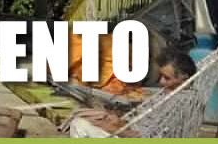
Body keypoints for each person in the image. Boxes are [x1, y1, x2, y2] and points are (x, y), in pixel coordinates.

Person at [65, 48, 198, 137]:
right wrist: (119, 121)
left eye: (167, 78)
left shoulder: (179, 103)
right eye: (161, 76)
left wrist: (113, 128)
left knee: (80, 126)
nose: (161, 82)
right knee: (87, 119)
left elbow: (146, 138)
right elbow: (146, 124)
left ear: (184, 78)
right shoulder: (172, 95)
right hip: (131, 132)